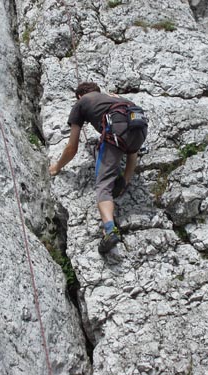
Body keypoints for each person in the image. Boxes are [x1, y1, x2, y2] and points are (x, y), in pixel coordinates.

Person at [49, 82, 147, 254]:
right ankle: (121, 180)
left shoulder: (81, 102)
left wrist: (56, 167)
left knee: (103, 186)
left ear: (79, 95)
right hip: (139, 130)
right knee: (114, 147)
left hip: (117, 131)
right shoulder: (116, 99)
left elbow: (72, 147)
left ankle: (109, 231)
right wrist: (125, 180)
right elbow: (133, 152)